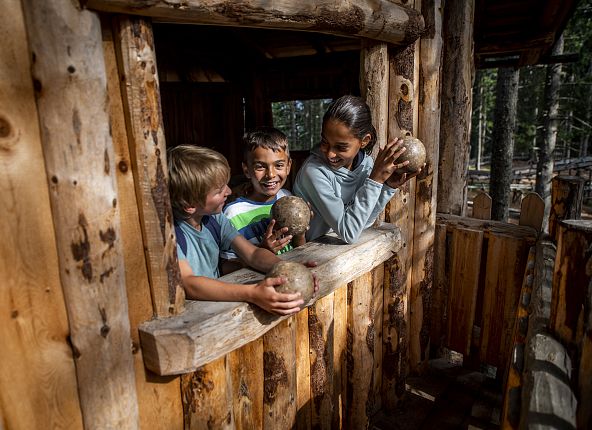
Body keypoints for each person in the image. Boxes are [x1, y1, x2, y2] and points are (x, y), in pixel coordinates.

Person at [168, 144, 315, 315]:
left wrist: (287, 269)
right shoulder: (173, 235)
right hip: (194, 316)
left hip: (219, 308)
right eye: (219, 190)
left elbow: (252, 254)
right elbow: (190, 284)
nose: (229, 191)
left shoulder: (215, 219)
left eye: (226, 185)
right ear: (190, 205)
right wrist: (252, 293)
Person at [293, 95, 422, 244]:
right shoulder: (314, 172)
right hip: (311, 257)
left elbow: (362, 223)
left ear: (364, 141)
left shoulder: (366, 164)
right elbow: (349, 233)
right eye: (324, 142)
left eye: (341, 147)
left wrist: (387, 186)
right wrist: (375, 180)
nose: (329, 153)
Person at [221, 127, 305, 268]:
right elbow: (225, 266)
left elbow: (299, 250)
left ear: (288, 166)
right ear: (247, 170)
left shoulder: (287, 197)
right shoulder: (234, 213)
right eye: (260, 167)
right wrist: (262, 251)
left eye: (279, 165)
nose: (270, 174)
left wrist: (300, 233)